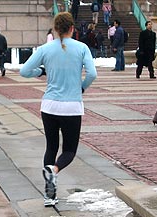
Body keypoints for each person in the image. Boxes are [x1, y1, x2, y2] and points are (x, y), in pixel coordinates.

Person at [19, 12, 97, 207]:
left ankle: (49, 194)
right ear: (72, 28)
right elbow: (92, 73)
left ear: (55, 29)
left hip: (50, 105)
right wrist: (82, 87)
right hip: (72, 106)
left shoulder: (46, 49)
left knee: (51, 147)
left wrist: (41, 71)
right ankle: (54, 170)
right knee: (69, 150)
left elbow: (24, 71)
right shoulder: (81, 48)